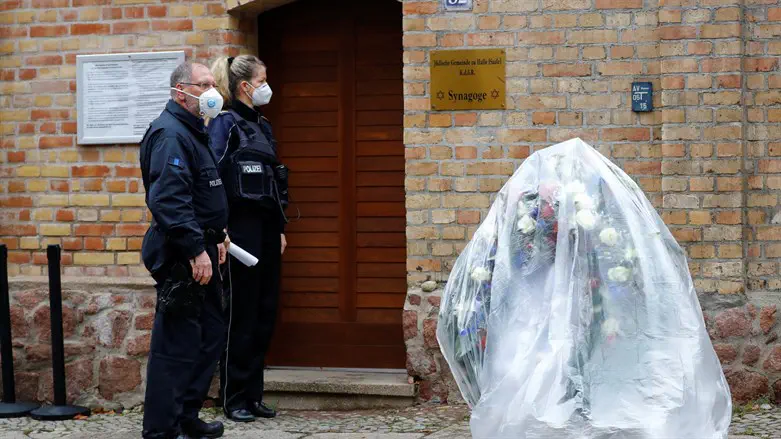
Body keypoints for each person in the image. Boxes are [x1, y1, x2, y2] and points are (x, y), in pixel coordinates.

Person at [140, 61, 231, 439]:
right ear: (181, 91)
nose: (213, 91)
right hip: (182, 252)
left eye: (213, 83)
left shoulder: (195, 130)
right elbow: (169, 199)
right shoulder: (171, 134)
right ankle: (162, 428)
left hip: (205, 244)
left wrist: (219, 236)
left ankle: (186, 416)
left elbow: (201, 191)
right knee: (176, 342)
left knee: (208, 336)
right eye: (204, 84)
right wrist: (196, 249)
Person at [206, 55, 288, 423]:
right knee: (241, 313)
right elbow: (212, 180)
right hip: (239, 233)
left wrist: (280, 228)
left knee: (264, 314)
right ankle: (233, 396)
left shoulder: (264, 126)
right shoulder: (225, 124)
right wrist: (220, 231)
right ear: (245, 86)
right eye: (263, 80)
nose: (267, 86)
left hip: (268, 232)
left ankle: (254, 394)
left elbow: (274, 182)